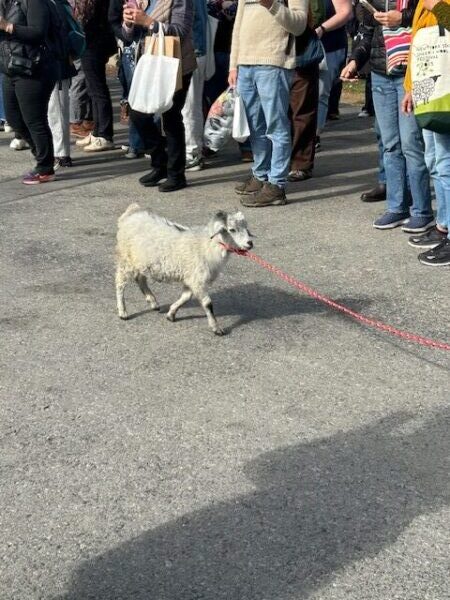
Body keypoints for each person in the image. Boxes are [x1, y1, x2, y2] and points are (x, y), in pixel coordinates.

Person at [341, 0, 434, 233]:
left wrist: (401, 18)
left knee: (411, 144)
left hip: (413, 73)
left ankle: (422, 211)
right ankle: (397, 206)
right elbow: (366, 30)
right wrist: (354, 61)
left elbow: (431, 14)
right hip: (381, 73)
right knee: (390, 145)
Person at [230, 0, 309, 208]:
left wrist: (272, 5)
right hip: (245, 65)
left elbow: (300, 24)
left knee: (276, 127)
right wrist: (233, 65)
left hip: (274, 63)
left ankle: (276, 185)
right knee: (256, 126)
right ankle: (260, 175)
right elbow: (238, 26)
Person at [121, 0, 196, 192]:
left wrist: (148, 21)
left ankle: (176, 174)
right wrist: (129, 23)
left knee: (171, 117)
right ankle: (159, 162)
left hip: (176, 64)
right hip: (149, 62)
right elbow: (128, 36)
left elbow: (180, 30)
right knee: (138, 113)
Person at [401, 0, 450, 266]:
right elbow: (419, 47)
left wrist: (438, 6)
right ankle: (443, 224)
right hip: (428, 84)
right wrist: (411, 87)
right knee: (433, 159)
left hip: (447, 87)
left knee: (446, 163)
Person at [0, 0, 59, 184]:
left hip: (33, 67)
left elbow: (38, 32)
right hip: (10, 68)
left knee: (34, 120)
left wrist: (8, 26)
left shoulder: (34, 2)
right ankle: (44, 156)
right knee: (14, 119)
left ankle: (45, 167)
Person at [288, 0, 326, 182]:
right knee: (277, 113)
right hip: (272, 53)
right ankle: (277, 162)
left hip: (301, 52)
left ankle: (300, 164)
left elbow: (315, 16)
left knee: (302, 111)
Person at [75, 0, 117, 152]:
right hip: (92, 41)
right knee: (93, 90)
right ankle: (97, 131)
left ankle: (105, 135)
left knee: (98, 90)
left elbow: (84, 16)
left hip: (95, 42)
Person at [315, 0, 352, 150]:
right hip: (298, 46)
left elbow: (345, 12)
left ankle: (313, 135)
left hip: (329, 45)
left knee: (320, 92)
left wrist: (322, 28)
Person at [182, 0, 208, 171]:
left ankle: (192, 153)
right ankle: (193, 150)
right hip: (194, 50)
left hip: (191, 51)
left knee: (189, 107)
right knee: (191, 106)